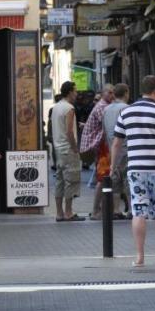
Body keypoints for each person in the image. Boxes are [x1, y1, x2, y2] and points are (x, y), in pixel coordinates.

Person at [112, 75, 155, 266]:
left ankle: (140, 256)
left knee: (138, 210)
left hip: (136, 168)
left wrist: (113, 166)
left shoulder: (126, 113)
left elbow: (117, 143)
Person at [50, 81, 84, 221]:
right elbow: (70, 131)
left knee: (60, 181)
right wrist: (75, 148)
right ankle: (68, 212)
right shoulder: (69, 108)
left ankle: (59, 213)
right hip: (68, 149)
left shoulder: (56, 107)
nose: (76, 94)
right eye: (75, 91)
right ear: (69, 92)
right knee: (71, 180)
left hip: (58, 149)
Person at [81, 85, 115, 219]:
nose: (112, 95)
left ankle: (101, 209)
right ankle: (96, 211)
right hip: (100, 146)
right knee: (102, 179)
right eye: (109, 92)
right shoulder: (102, 107)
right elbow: (109, 125)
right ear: (103, 93)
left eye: (113, 92)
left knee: (104, 178)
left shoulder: (105, 105)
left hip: (100, 146)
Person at [103, 84, 131, 217]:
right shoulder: (127, 108)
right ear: (126, 93)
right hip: (126, 149)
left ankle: (116, 210)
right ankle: (131, 210)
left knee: (115, 180)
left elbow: (104, 130)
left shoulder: (106, 109)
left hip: (112, 148)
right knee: (128, 180)